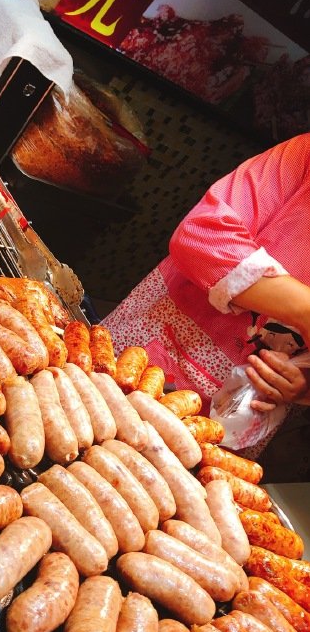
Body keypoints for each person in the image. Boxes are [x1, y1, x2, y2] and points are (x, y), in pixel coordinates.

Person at [102, 133, 310, 453]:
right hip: (148, 354)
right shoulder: (304, 156)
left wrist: (303, 388)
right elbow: (202, 234)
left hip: (231, 424)